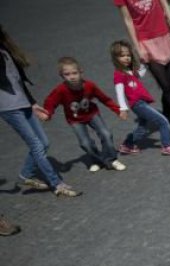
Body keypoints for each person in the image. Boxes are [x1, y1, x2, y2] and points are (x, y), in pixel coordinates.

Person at [0, 24, 81, 197]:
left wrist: (32, 103)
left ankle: (25, 174)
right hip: (8, 107)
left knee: (44, 142)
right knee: (36, 145)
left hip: (23, 102)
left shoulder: (6, 51)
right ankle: (57, 183)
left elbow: (17, 81)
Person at [115, 0, 170, 144]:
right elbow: (128, 20)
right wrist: (138, 48)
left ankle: (167, 121)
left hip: (165, 35)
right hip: (146, 43)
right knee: (167, 87)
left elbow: (165, 5)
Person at [40, 56, 129, 172]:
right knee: (85, 143)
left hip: (92, 113)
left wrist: (118, 110)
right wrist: (48, 114)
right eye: (67, 74)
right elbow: (50, 102)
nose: (71, 77)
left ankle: (112, 159)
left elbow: (104, 99)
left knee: (106, 134)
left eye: (74, 73)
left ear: (81, 72)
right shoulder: (60, 90)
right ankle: (98, 160)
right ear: (61, 76)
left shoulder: (89, 85)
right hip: (75, 119)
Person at [111, 40, 170, 156]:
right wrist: (122, 108)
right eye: (122, 56)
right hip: (137, 104)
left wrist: (145, 62)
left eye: (128, 55)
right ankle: (167, 146)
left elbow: (140, 74)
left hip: (141, 102)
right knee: (163, 121)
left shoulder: (129, 71)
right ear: (115, 58)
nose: (126, 58)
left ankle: (126, 145)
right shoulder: (119, 74)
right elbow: (119, 92)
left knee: (142, 127)